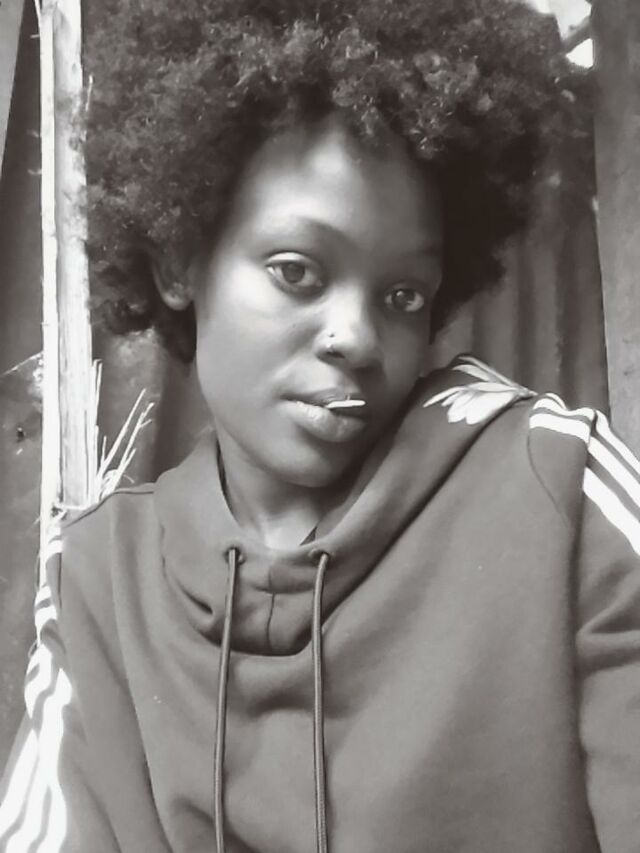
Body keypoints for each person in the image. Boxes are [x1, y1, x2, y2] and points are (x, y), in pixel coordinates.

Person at [1, 2, 637, 852]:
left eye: (403, 295)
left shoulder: (556, 486)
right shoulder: (99, 581)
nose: (357, 337)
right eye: (297, 271)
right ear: (182, 261)